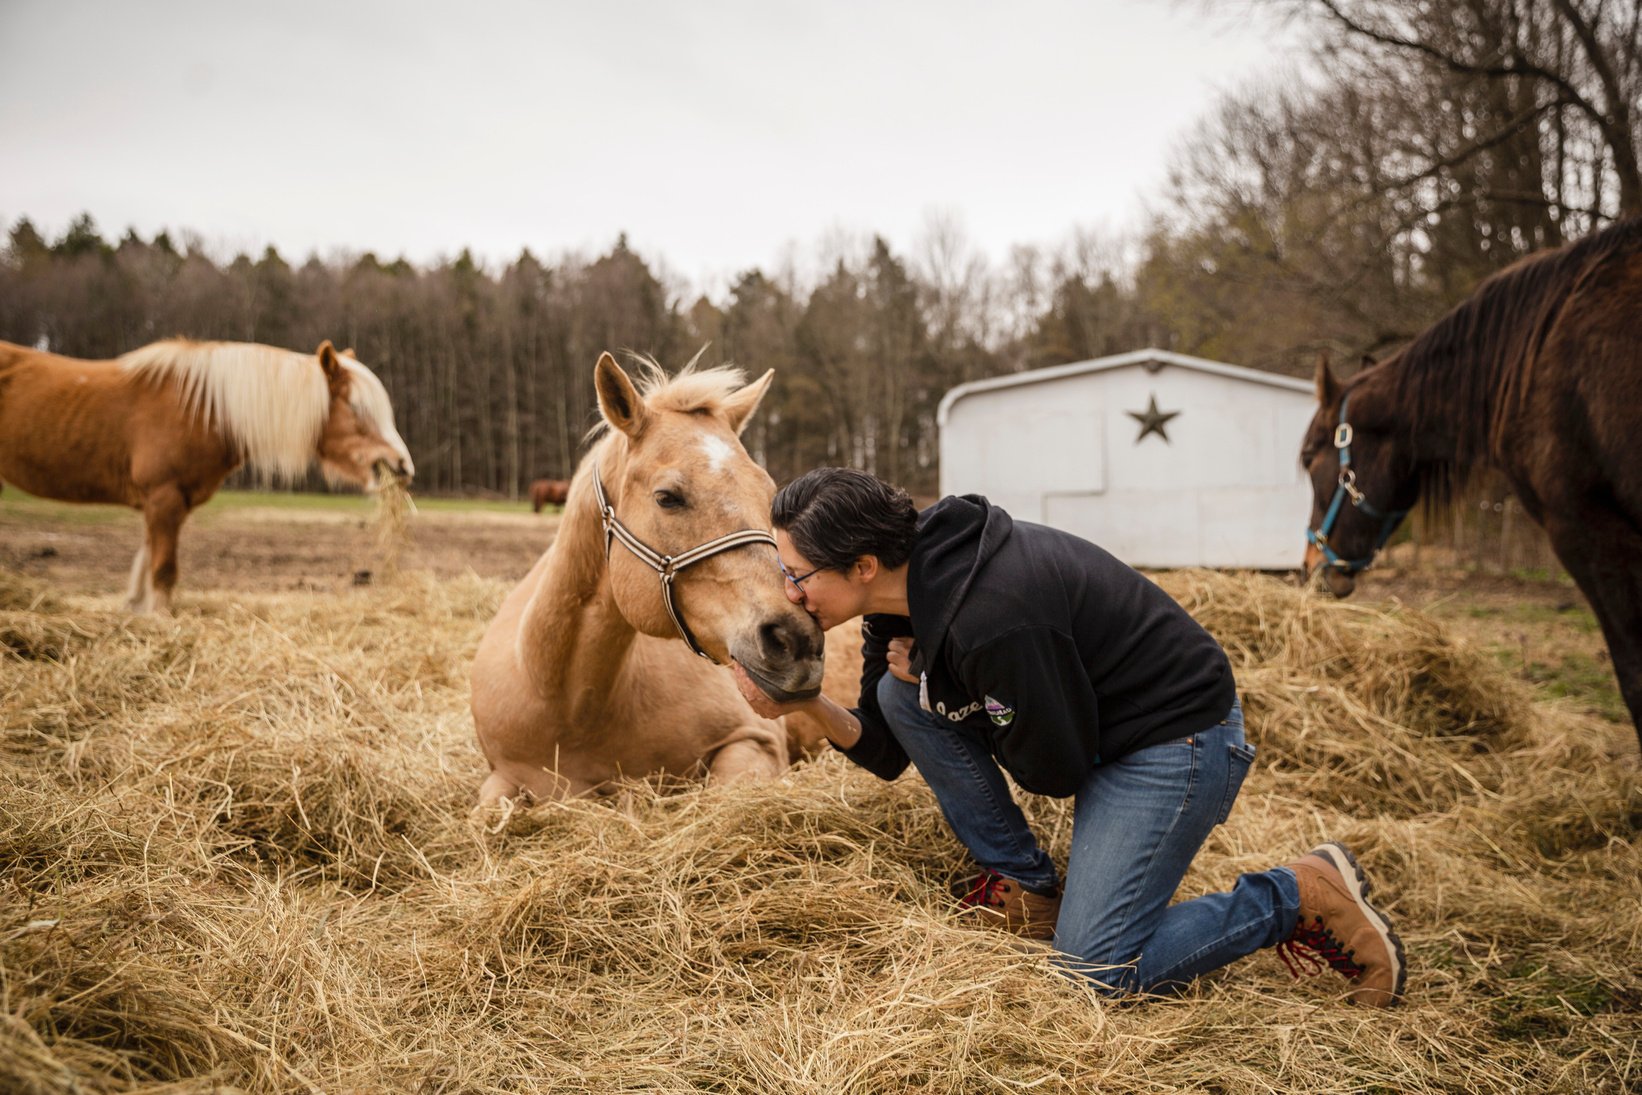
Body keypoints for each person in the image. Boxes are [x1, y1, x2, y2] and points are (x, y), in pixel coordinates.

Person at [732, 467, 1406, 1005]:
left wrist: (942, 686)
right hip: (1102, 727)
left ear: (863, 565)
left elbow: (1054, 768)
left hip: (1177, 738)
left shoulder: (992, 617)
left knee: (1096, 972)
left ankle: (1299, 894)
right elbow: (884, 748)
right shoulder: (899, 602)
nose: (789, 593)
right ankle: (1032, 888)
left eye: (798, 575)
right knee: (892, 692)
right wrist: (806, 702)